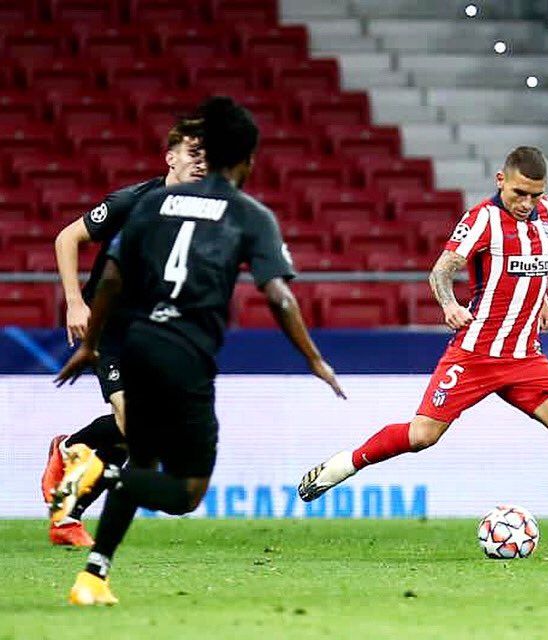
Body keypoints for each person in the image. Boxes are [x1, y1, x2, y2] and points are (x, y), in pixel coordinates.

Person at [52, 96, 345, 605]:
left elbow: (114, 275)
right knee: (187, 491)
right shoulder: (249, 215)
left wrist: (91, 342)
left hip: (137, 341)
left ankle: (92, 576)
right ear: (248, 160)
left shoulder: (151, 203)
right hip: (185, 354)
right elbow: (278, 294)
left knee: (140, 460)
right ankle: (98, 470)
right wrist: (313, 358)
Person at [299, 146, 548, 556]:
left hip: (524, 356)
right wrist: (449, 304)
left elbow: (533, 267)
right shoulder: (482, 219)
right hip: (476, 354)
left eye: (535, 195)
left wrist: (542, 302)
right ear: (501, 180)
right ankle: (341, 466)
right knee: (422, 435)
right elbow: (441, 270)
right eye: (520, 192)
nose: (527, 203)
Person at [41, 118, 208, 547]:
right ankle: (71, 453)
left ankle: (68, 506)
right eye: (193, 153)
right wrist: (75, 301)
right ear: (170, 158)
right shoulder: (132, 201)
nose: (202, 163)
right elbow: (66, 238)